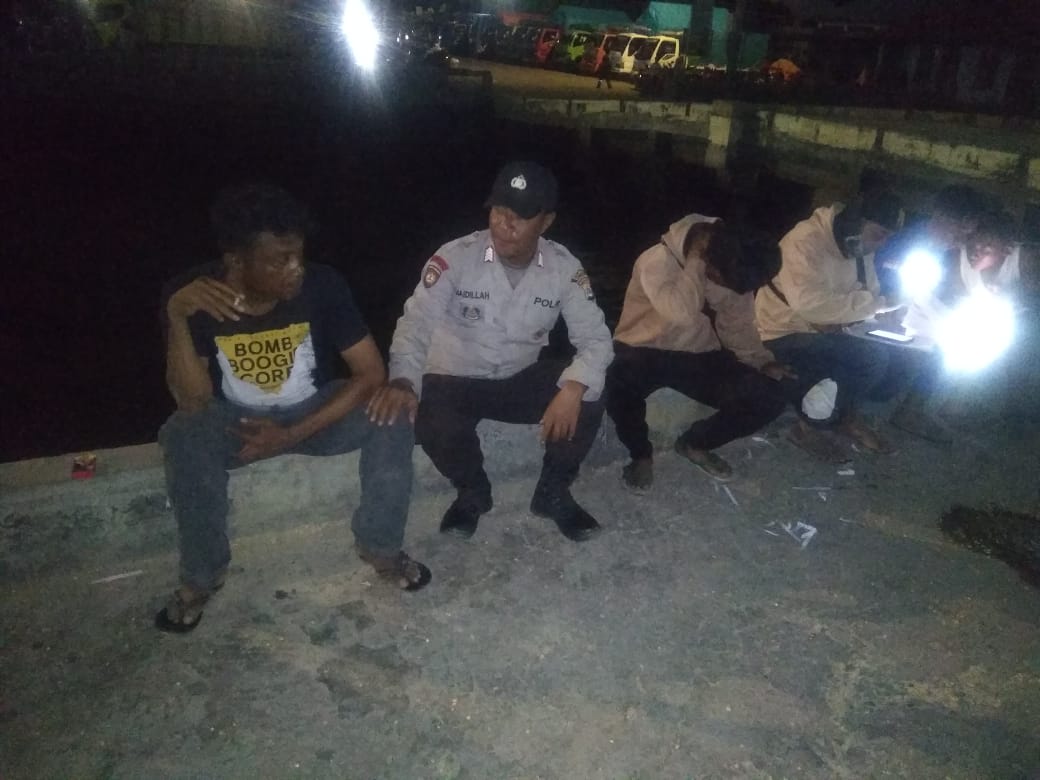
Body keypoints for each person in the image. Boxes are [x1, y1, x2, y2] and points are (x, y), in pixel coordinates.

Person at [155, 183, 429, 634]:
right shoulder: (196, 297)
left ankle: (380, 545)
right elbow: (193, 400)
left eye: (298, 255)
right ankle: (202, 576)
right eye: (278, 260)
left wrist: (290, 435)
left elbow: (369, 372)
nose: (295, 269)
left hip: (312, 413)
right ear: (236, 262)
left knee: (392, 413)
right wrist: (177, 318)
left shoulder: (322, 285)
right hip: (236, 420)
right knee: (184, 434)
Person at [367, 161, 613, 542]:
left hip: (516, 378)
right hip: (453, 379)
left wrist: (574, 387)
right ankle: (472, 492)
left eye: (520, 215)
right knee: (428, 410)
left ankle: (553, 492)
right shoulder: (455, 257)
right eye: (499, 210)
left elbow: (596, 339)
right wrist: (402, 380)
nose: (504, 223)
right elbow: (415, 325)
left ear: (546, 222)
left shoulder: (564, 268)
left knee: (591, 390)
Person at [606, 216, 790, 489]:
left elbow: (737, 325)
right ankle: (640, 455)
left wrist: (761, 362)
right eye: (721, 280)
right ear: (709, 259)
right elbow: (681, 313)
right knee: (615, 379)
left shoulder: (733, 262)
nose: (727, 288)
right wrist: (695, 260)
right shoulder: (656, 261)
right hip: (642, 348)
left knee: (770, 395)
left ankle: (695, 443)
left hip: (698, 352)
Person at [755, 190, 907, 456]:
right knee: (828, 365)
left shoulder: (858, 245)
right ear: (856, 223)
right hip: (783, 328)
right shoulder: (804, 242)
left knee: (876, 358)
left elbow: (869, 290)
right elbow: (810, 306)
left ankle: (844, 417)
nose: (882, 244)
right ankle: (807, 428)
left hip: (831, 325)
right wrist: (879, 305)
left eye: (888, 237)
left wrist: (884, 313)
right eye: (879, 234)